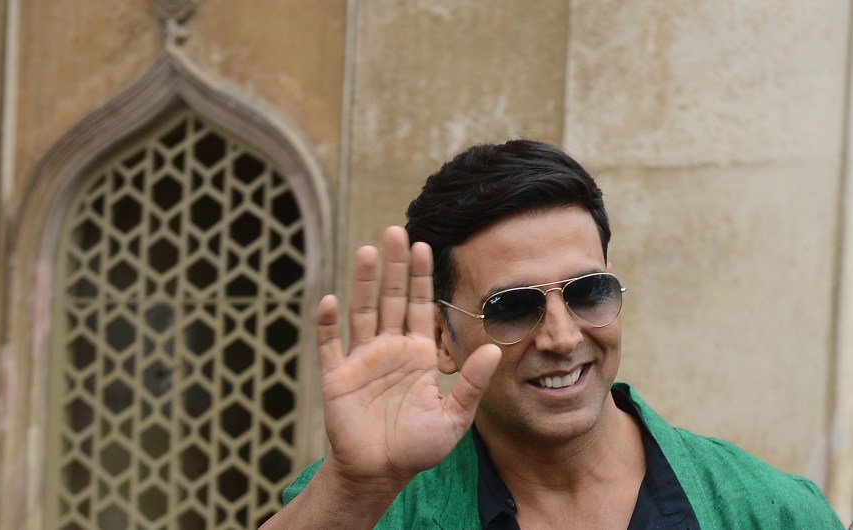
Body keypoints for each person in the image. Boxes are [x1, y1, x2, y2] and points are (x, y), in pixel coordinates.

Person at [260, 140, 843, 529]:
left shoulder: (767, 511)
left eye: (589, 292)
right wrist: (355, 488)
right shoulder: (373, 505)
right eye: (513, 308)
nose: (562, 338)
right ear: (441, 338)